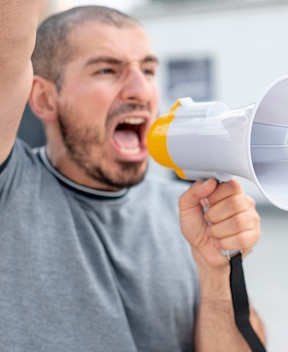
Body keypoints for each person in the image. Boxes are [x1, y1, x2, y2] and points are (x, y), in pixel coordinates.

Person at [0, 3, 266, 351]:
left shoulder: (187, 209)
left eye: (149, 70)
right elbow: (8, 43)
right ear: (44, 99)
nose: (141, 91)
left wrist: (216, 273)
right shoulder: (12, 189)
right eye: (108, 70)